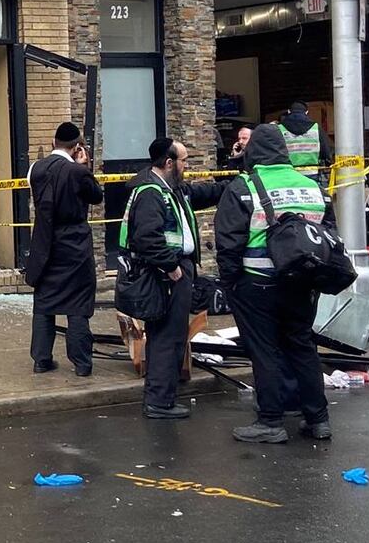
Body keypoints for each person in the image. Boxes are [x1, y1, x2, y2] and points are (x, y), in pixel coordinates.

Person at [214, 124, 332, 444]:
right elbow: (328, 235)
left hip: (257, 283)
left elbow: (228, 242)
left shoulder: (243, 187)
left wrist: (231, 283)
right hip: (302, 283)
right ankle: (318, 419)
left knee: (264, 351)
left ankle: (270, 421)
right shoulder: (312, 186)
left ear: (253, 151)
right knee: (303, 347)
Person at [120, 137, 224, 419]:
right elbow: (146, 237)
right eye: (184, 161)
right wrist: (171, 267)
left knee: (170, 336)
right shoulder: (151, 193)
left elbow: (203, 193)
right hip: (166, 276)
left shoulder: (170, 189)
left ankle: (161, 398)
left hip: (173, 273)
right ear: (169, 163)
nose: (187, 166)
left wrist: (237, 179)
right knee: (168, 337)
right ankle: (159, 401)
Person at [25, 122, 104, 376]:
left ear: (53, 143)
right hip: (75, 245)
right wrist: (84, 167)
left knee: (44, 303)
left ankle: (41, 359)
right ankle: (81, 363)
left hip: (45, 243)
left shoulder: (35, 169)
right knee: (77, 304)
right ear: (77, 147)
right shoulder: (77, 172)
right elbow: (96, 195)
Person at [279, 101, 333, 169]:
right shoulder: (316, 127)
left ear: (289, 111)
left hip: (289, 171)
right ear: (306, 112)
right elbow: (325, 152)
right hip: (312, 170)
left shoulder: (279, 128)